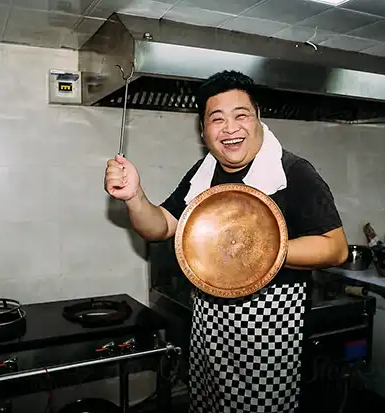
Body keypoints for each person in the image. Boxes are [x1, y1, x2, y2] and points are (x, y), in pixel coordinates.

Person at [104, 70, 348, 413]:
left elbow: (336, 248)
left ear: (258, 117)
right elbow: (161, 227)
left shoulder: (292, 173)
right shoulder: (203, 173)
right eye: (216, 119)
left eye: (241, 115)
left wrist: (256, 253)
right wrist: (134, 197)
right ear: (204, 131)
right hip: (210, 332)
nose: (230, 128)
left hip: (269, 339)